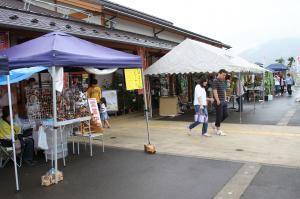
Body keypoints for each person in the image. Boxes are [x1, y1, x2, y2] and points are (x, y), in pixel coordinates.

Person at [211, 69, 228, 136]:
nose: (224, 76)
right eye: (223, 75)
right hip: (218, 101)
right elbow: (214, 91)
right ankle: (218, 130)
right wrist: (217, 100)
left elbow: (224, 90)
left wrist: (226, 98)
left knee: (226, 114)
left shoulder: (222, 81)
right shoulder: (215, 81)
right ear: (219, 73)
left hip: (223, 101)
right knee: (219, 115)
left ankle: (215, 124)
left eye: (225, 75)